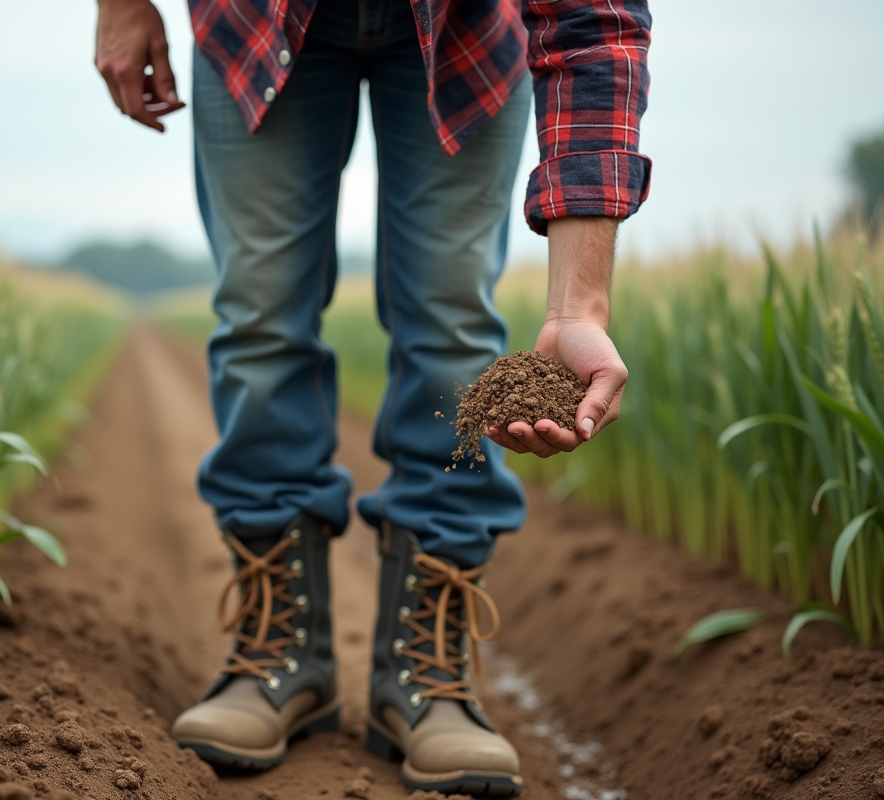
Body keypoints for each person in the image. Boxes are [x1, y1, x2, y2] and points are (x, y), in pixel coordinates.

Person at [93, 0, 649, 793]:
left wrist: (577, 309)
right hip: (257, 21)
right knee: (259, 317)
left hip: (462, 33)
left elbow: (595, 23)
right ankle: (280, 653)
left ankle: (424, 671)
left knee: (453, 331)